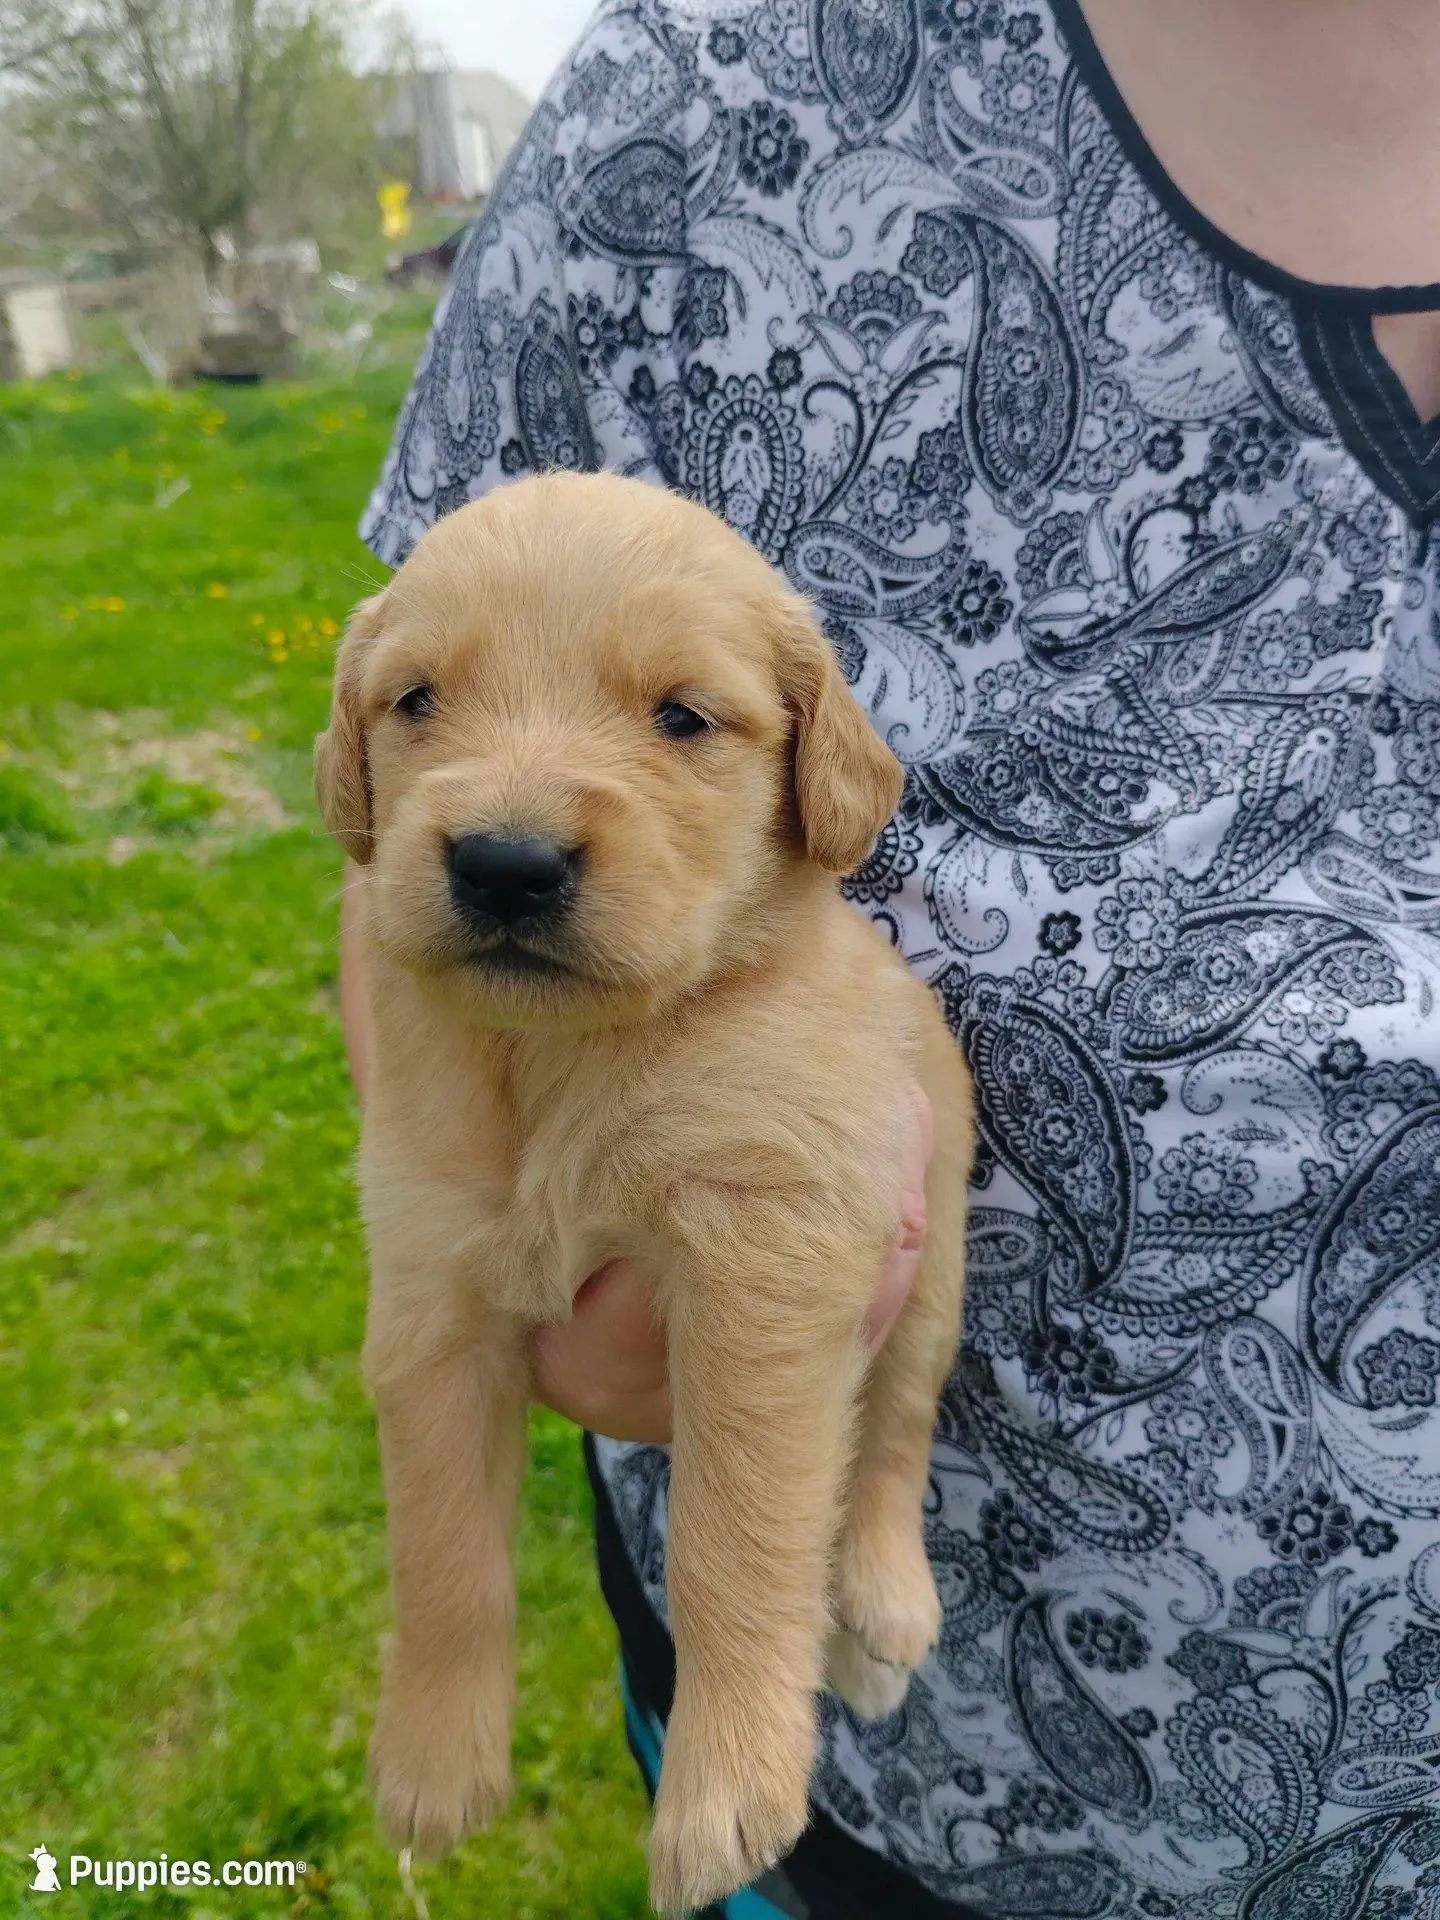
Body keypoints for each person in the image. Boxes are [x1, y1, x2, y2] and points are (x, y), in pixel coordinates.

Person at [347, 1, 1440, 1913]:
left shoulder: (817, 813)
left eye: (676, 721)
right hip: (928, 1824)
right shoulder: (710, 91)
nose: (515, 809)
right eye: (429, 707)